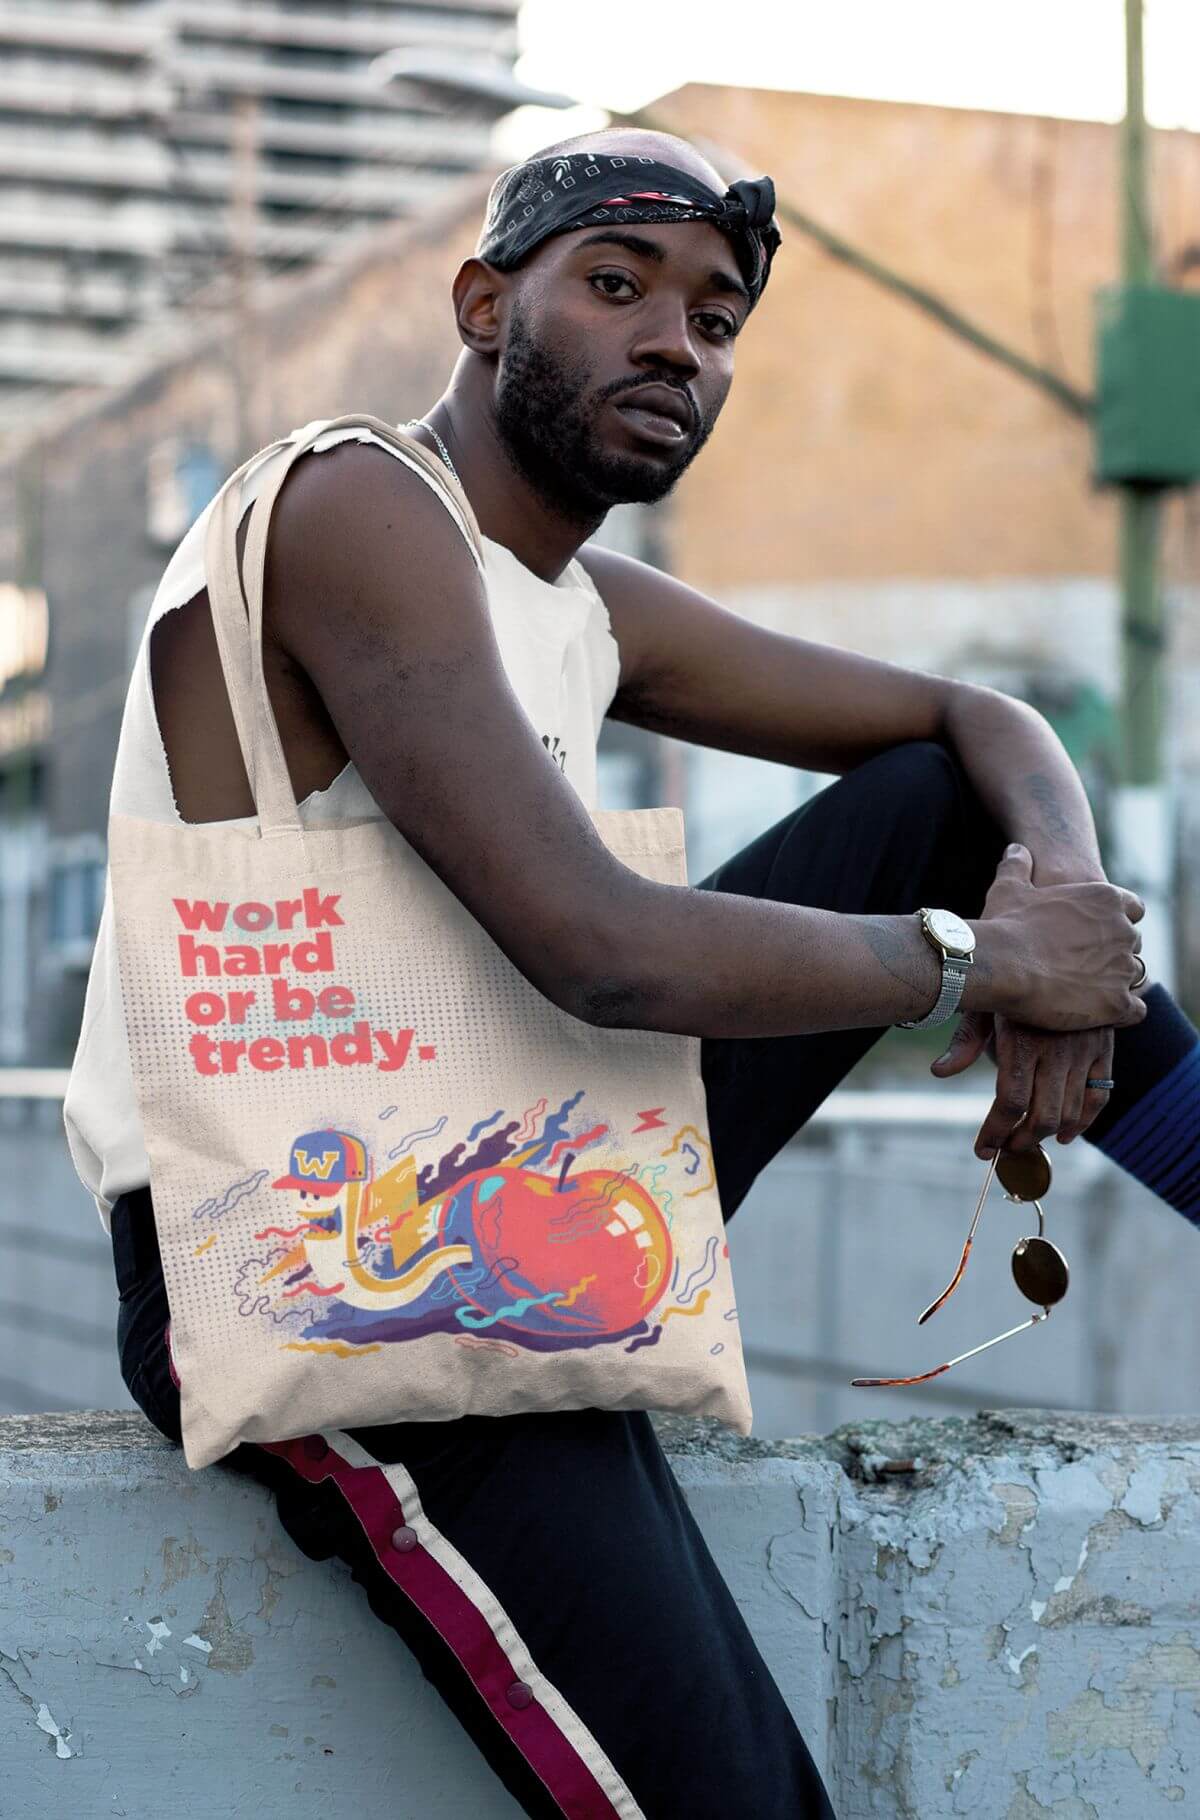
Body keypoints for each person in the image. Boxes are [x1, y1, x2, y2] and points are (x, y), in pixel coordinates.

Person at [64, 125, 1194, 1819]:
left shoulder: (581, 601)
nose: (677, 341)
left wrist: (1063, 932)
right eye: (617, 286)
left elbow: (984, 724)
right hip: (318, 1254)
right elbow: (590, 945)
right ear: (481, 303)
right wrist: (973, 965)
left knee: (944, 803)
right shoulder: (355, 503)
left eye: (720, 319)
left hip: (521, 1183)